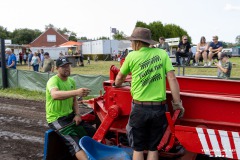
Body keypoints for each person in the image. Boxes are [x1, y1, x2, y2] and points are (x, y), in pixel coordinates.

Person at [114, 27, 184, 160]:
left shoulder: (132, 56)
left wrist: (117, 84)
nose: (131, 44)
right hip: (159, 108)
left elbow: (119, 79)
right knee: (153, 147)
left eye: (132, 42)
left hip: (139, 108)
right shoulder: (162, 54)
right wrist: (177, 104)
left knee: (138, 148)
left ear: (138, 43)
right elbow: (172, 78)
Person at [45, 57, 92, 160]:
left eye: (68, 66)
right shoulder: (53, 81)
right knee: (75, 142)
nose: (67, 69)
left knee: (91, 132)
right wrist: (76, 92)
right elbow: (55, 95)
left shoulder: (71, 81)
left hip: (70, 116)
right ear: (57, 68)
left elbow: (74, 100)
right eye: (63, 67)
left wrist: (77, 114)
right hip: (56, 118)